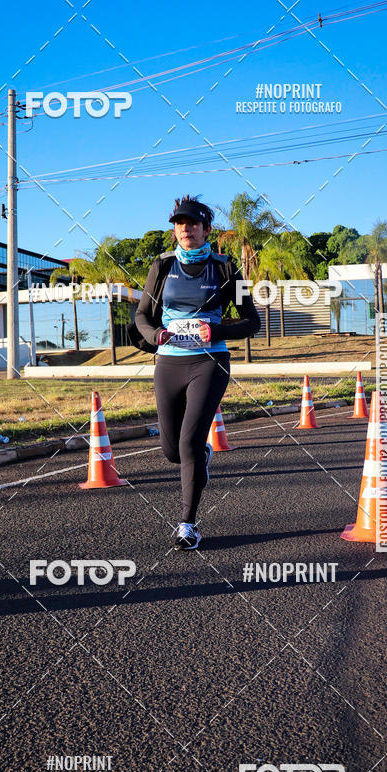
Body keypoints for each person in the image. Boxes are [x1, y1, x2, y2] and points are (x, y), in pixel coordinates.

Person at [134, 195, 261, 550]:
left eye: (192, 223)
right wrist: (154, 335)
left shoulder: (225, 268)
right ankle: (201, 457)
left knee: (190, 442)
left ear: (206, 229)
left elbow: (253, 321)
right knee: (172, 452)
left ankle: (187, 524)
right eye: (179, 223)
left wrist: (216, 331)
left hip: (210, 362)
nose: (185, 228)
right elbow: (142, 316)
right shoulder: (160, 267)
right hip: (169, 362)